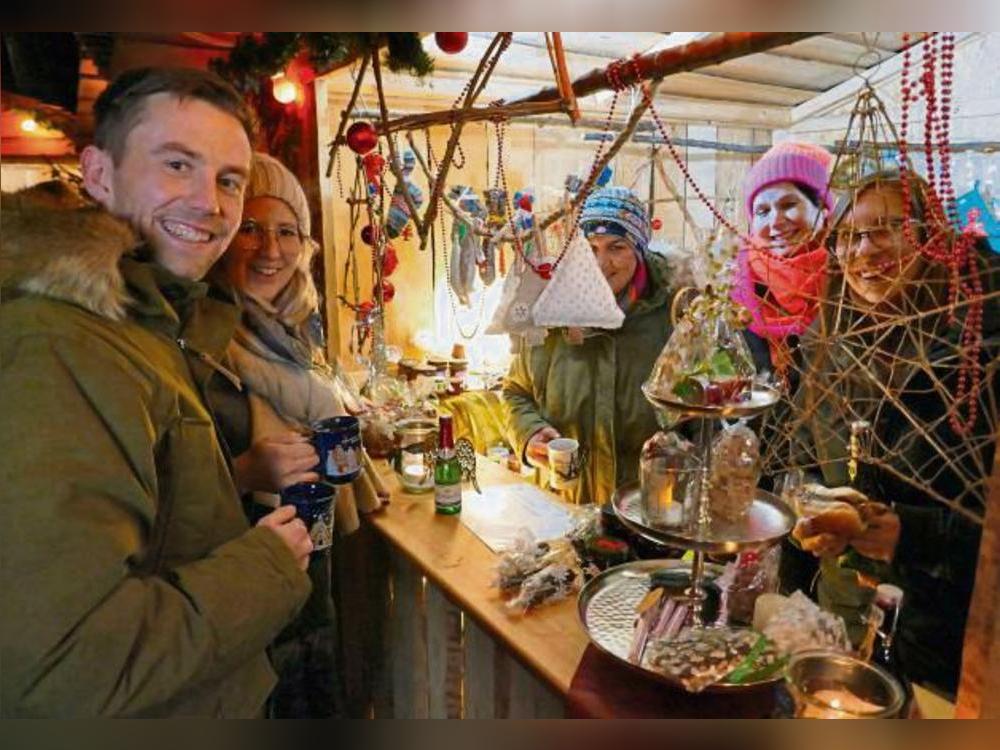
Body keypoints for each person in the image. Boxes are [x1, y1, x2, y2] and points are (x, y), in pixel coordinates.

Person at [0, 67, 313, 717]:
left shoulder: (147, 324)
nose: (212, 203)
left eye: (229, 180)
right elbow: (67, 667)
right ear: (99, 172)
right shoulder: (57, 345)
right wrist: (270, 566)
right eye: (177, 165)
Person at [787, 170, 999, 697]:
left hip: (949, 651)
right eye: (848, 236)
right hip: (844, 625)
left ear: (930, 238)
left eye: (886, 229)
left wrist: (911, 535)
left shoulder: (981, 348)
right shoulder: (825, 338)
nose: (865, 250)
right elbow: (796, 457)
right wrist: (808, 507)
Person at [210, 152, 382, 717]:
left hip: (308, 567)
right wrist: (242, 474)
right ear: (224, 232)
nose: (271, 249)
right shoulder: (202, 341)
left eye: (287, 231)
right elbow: (161, 479)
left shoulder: (289, 334)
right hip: (242, 587)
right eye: (251, 229)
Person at [502, 186, 675, 505]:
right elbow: (515, 392)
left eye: (616, 247)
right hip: (564, 505)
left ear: (638, 250)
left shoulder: (671, 319)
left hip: (650, 509)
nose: (600, 263)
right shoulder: (550, 315)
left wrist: (678, 451)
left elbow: (701, 411)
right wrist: (529, 434)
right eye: (589, 248)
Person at [731, 142, 834, 384]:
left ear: (822, 208)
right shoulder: (733, 288)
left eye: (788, 205)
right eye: (762, 211)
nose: (775, 222)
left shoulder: (854, 275)